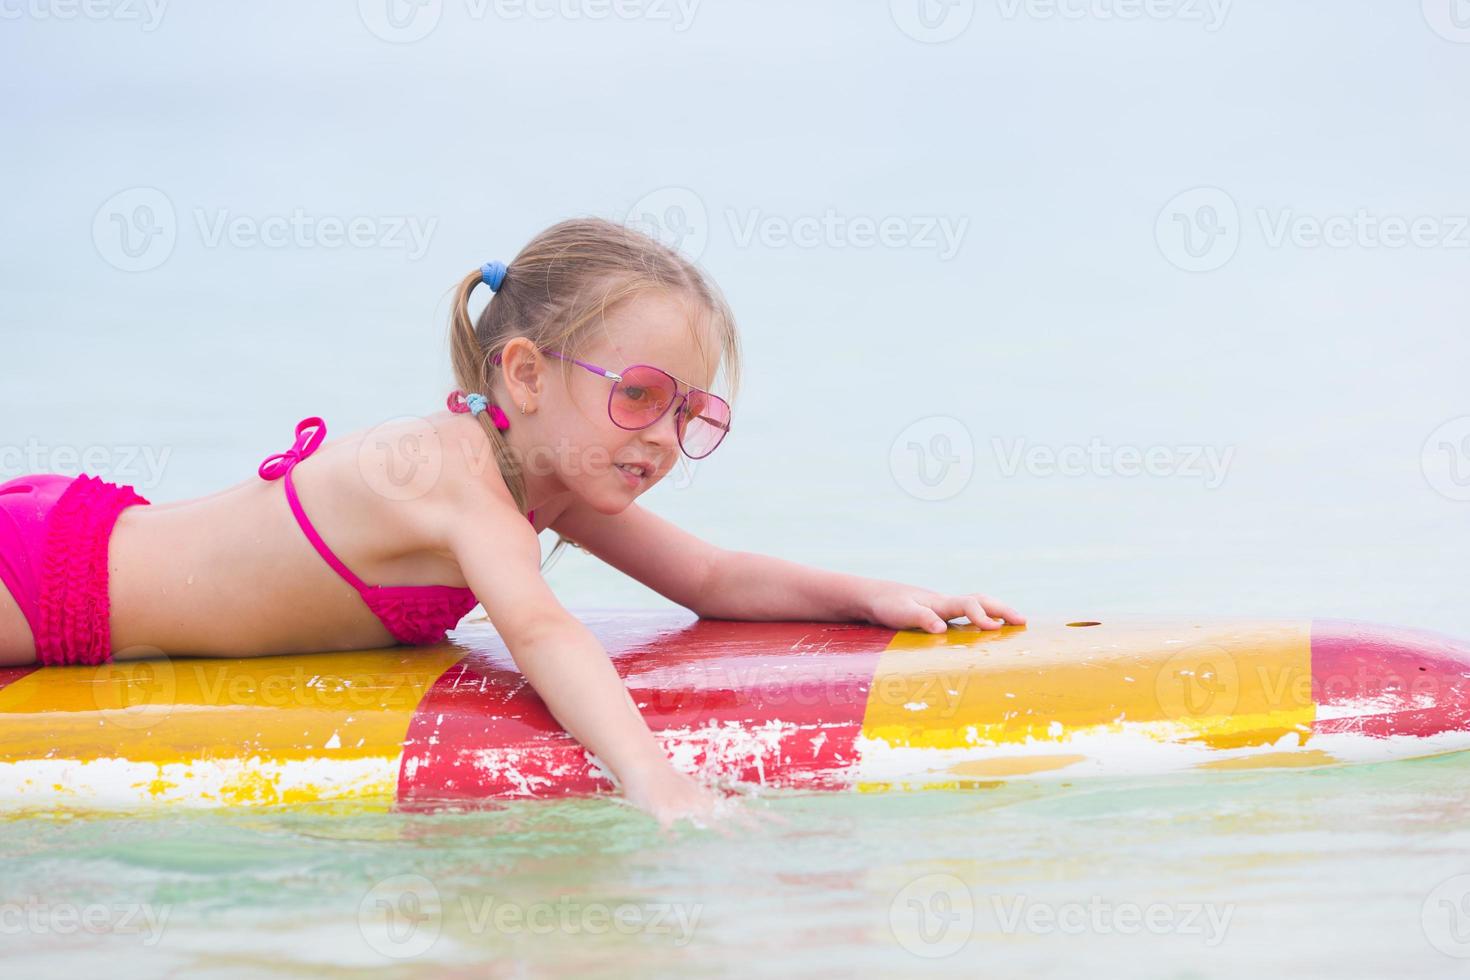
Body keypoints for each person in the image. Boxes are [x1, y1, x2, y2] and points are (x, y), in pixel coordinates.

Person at [0, 217, 1024, 827]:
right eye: (638, 395)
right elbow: (540, 631)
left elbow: (712, 579)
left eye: (689, 411)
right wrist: (657, 783)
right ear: (525, 373)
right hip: (57, 584)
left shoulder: (552, 480)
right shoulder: (450, 476)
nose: (663, 436)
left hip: (76, 548)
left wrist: (873, 597)